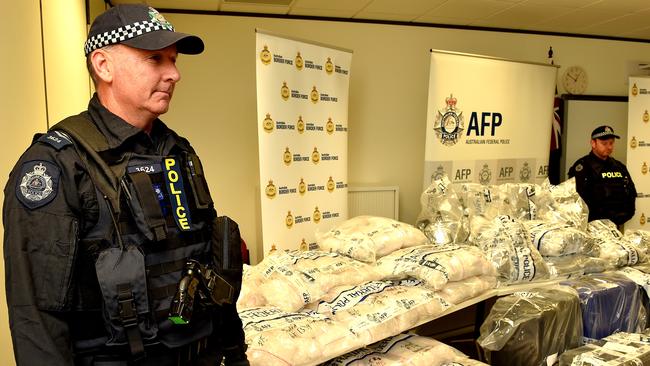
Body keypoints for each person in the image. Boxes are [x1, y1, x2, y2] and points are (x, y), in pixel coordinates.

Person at [3, 4, 249, 365]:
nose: (175, 74)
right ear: (104, 66)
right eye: (156, 60)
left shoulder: (178, 152)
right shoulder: (59, 165)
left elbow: (207, 267)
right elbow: (37, 317)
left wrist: (234, 353)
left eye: (174, 59)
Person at [568, 125, 636, 226]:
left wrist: (622, 217)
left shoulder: (619, 166)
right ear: (593, 143)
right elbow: (575, 200)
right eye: (604, 143)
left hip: (616, 226)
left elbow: (631, 193)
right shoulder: (582, 167)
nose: (609, 147)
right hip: (591, 227)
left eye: (611, 143)